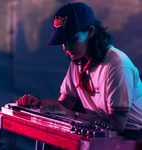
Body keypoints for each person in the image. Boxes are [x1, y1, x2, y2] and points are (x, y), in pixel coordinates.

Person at [16, 2, 142, 140]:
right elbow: (64, 105)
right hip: (102, 132)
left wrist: (70, 114)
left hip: (132, 136)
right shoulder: (78, 62)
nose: (66, 48)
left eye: (73, 40)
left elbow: (118, 124)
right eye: (63, 42)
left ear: (90, 32)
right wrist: (39, 103)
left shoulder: (117, 65)